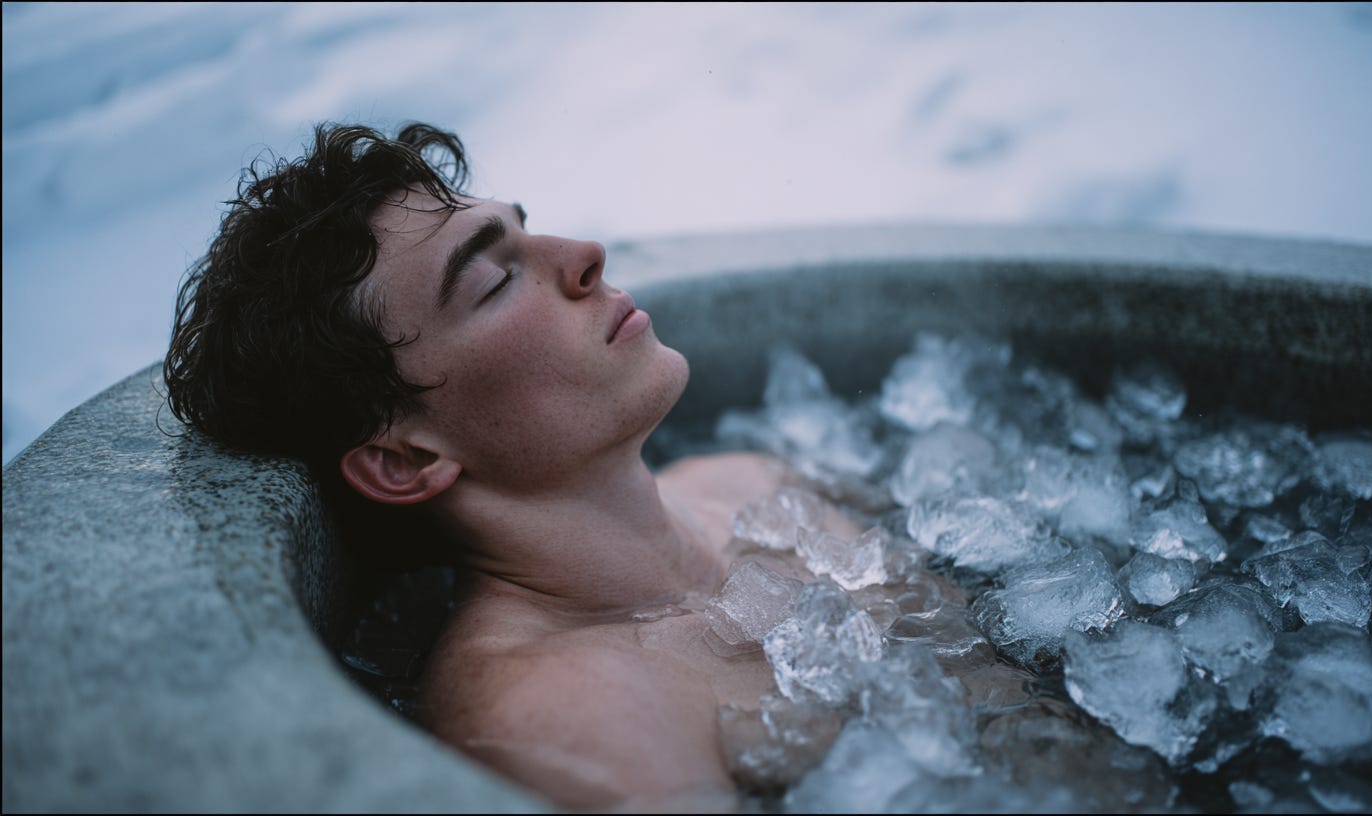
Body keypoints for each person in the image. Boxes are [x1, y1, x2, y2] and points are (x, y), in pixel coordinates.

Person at [163, 121, 857, 811]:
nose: (587, 255)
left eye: (529, 229)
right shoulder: (560, 721)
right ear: (403, 460)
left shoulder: (754, 483)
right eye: (495, 281)